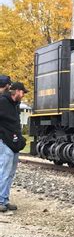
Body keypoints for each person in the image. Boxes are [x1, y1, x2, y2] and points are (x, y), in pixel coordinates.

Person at [0, 82, 28, 212]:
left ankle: (4, 199)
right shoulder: (3, 102)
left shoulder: (15, 105)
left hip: (14, 142)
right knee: (4, 172)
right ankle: (1, 200)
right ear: (16, 91)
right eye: (22, 92)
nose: (23, 95)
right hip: (5, 141)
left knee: (10, 173)